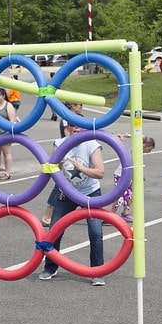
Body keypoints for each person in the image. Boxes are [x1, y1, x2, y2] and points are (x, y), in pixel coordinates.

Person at [38, 119, 106, 286]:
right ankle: (50, 266)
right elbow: (52, 169)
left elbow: (100, 172)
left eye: (78, 126)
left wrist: (79, 167)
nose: (75, 128)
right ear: (66, 128)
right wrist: (58, 164)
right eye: (72, 126)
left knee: (95, 232)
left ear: (83, 128)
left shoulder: (91, 144)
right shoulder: (60, 143)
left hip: (90, 193)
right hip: (66, 193)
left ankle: (97, 271)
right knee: (54, 230)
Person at [41, 102, 84, 226]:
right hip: (67, 154)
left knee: (65, 185)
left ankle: (49, 215)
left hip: (73, 154)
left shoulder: (77, 118)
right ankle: (47, 215)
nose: (82, 107)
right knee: (59, 187)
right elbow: (68, 136)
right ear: (73, 106)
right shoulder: (68, 120)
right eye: (79, 105)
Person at [111, 134, 155, 222]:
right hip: (121, 175)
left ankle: (125, 212)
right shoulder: (136, 149)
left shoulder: (139, 152)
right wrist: (128, 135)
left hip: (130, 176)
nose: (148, 152)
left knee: (130, 195)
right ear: (144, 145)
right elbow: (141, 136)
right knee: (119, 195)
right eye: (148, 149)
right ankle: (112, 214)